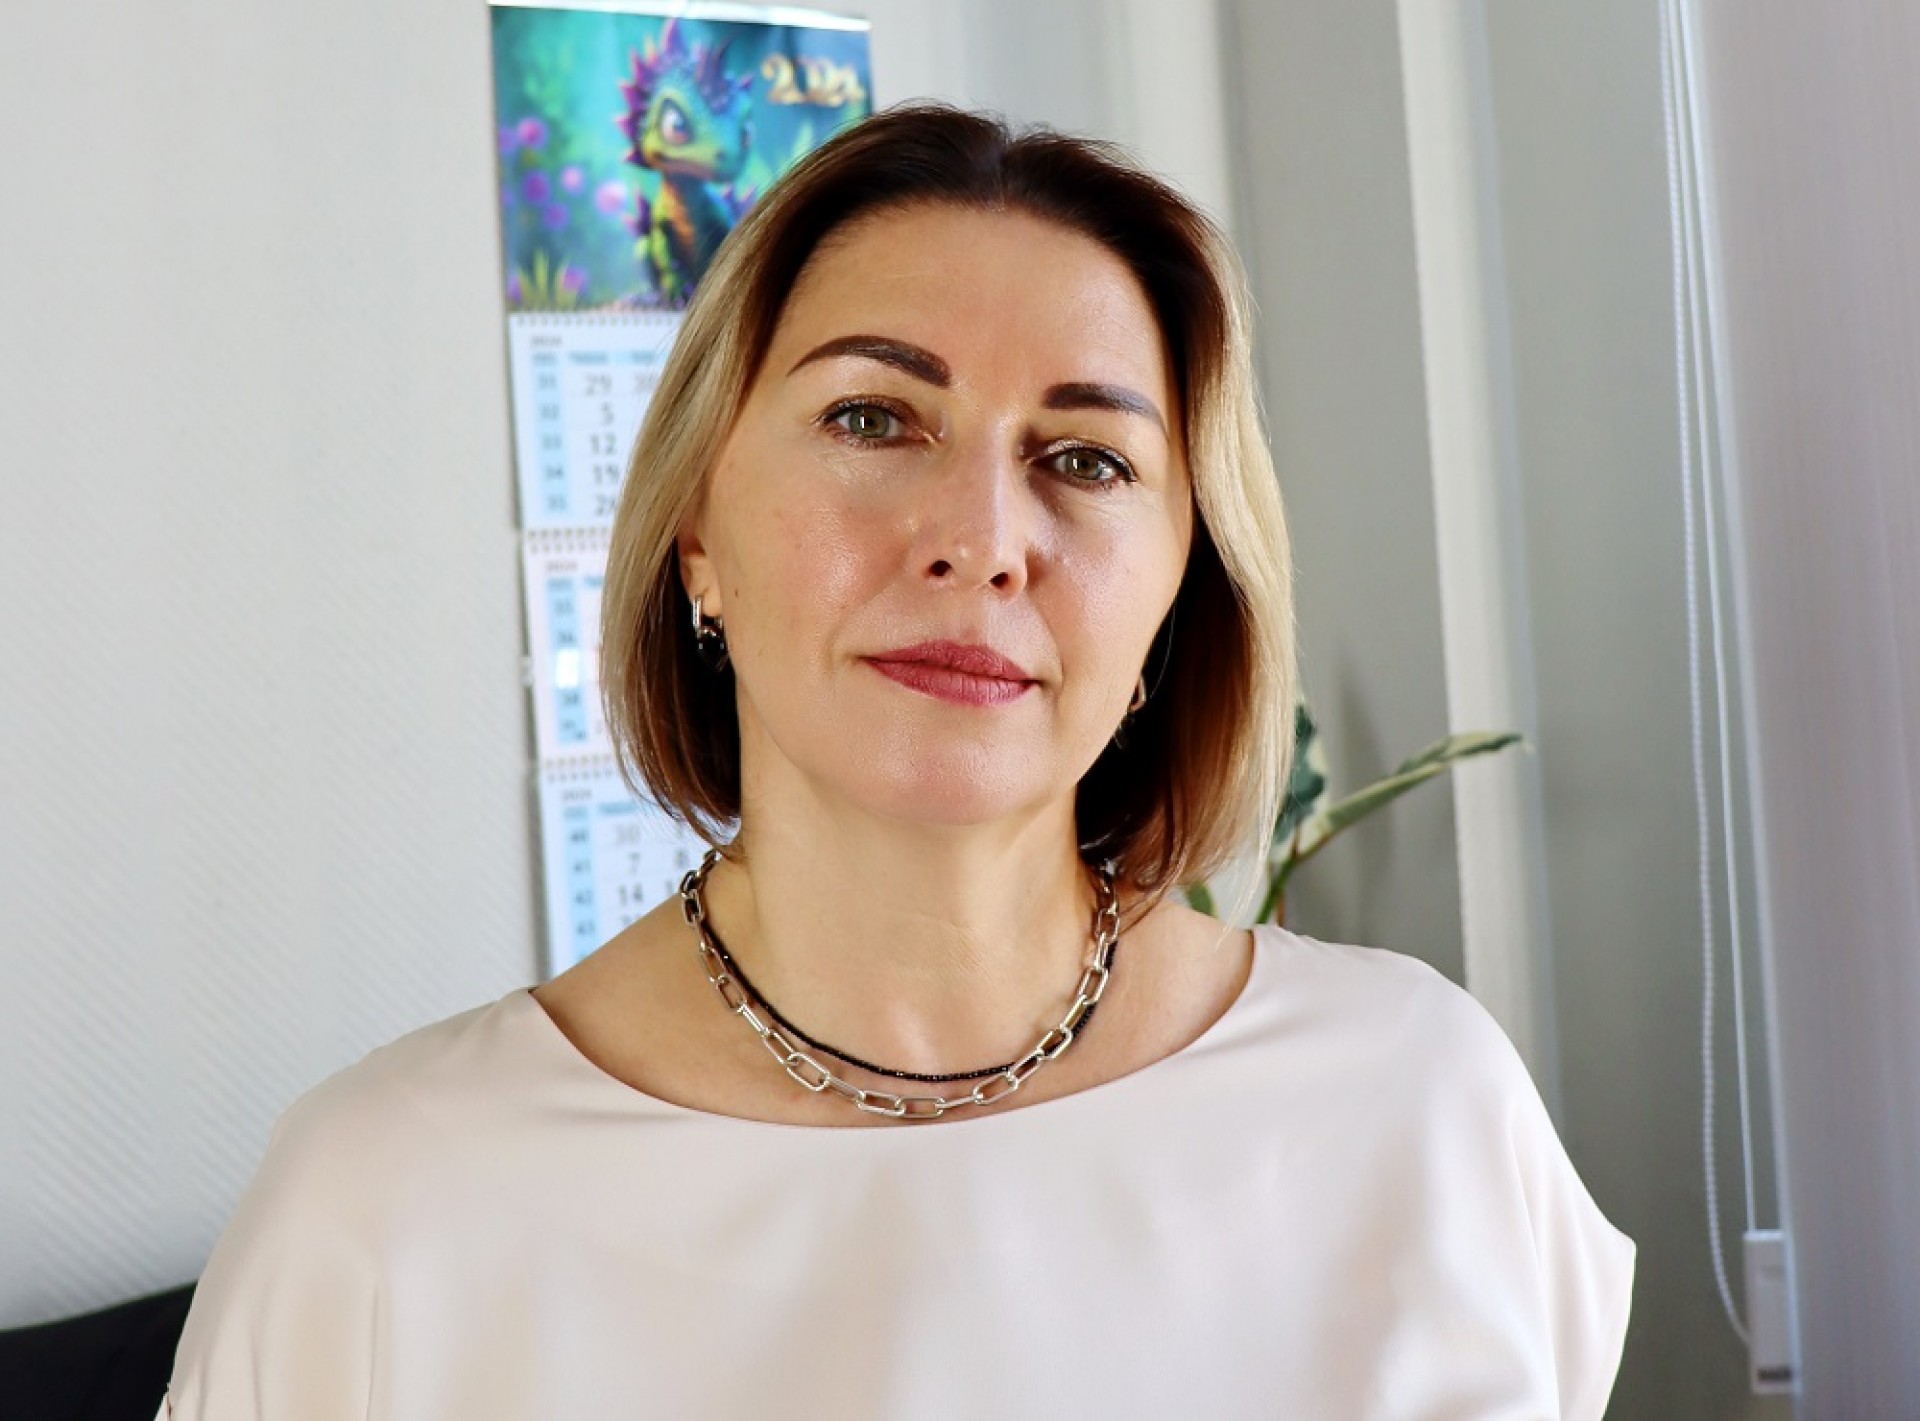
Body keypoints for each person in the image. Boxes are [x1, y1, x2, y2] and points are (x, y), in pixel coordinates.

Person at [160, 104, 1633, 1418]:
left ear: (1181, 589)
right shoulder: (381, 1212)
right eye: (873, 418)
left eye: (1087, 458)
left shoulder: (1423, 1109)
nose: (982, 542)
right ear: (696, 532)